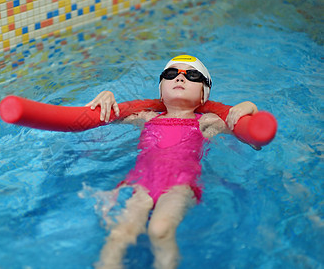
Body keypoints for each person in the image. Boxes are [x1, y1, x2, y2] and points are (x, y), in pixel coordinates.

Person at [85, 55, 258, 269]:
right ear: (160, 90)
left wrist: (249, 106)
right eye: (171, 74)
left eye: (192, 76)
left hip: (180, 186)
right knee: (121, 234)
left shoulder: (206, 122)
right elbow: (101, 120)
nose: (180, 78)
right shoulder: (146, 118)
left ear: (204, 95)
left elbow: (255, 141)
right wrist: (107, 97)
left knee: (160, 229)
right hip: (142, 183)